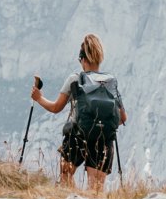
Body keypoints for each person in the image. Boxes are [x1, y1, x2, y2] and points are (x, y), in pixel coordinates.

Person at [31, 34, 125, 190]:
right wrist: (101, 123)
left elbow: (56, 108)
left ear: (82, 59)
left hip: (78, 135)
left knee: (66, 175)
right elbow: (122, 117)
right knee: (96, 189)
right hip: (103, 140)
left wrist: (38, 98)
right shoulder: (110, 82)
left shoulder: (75, 79)